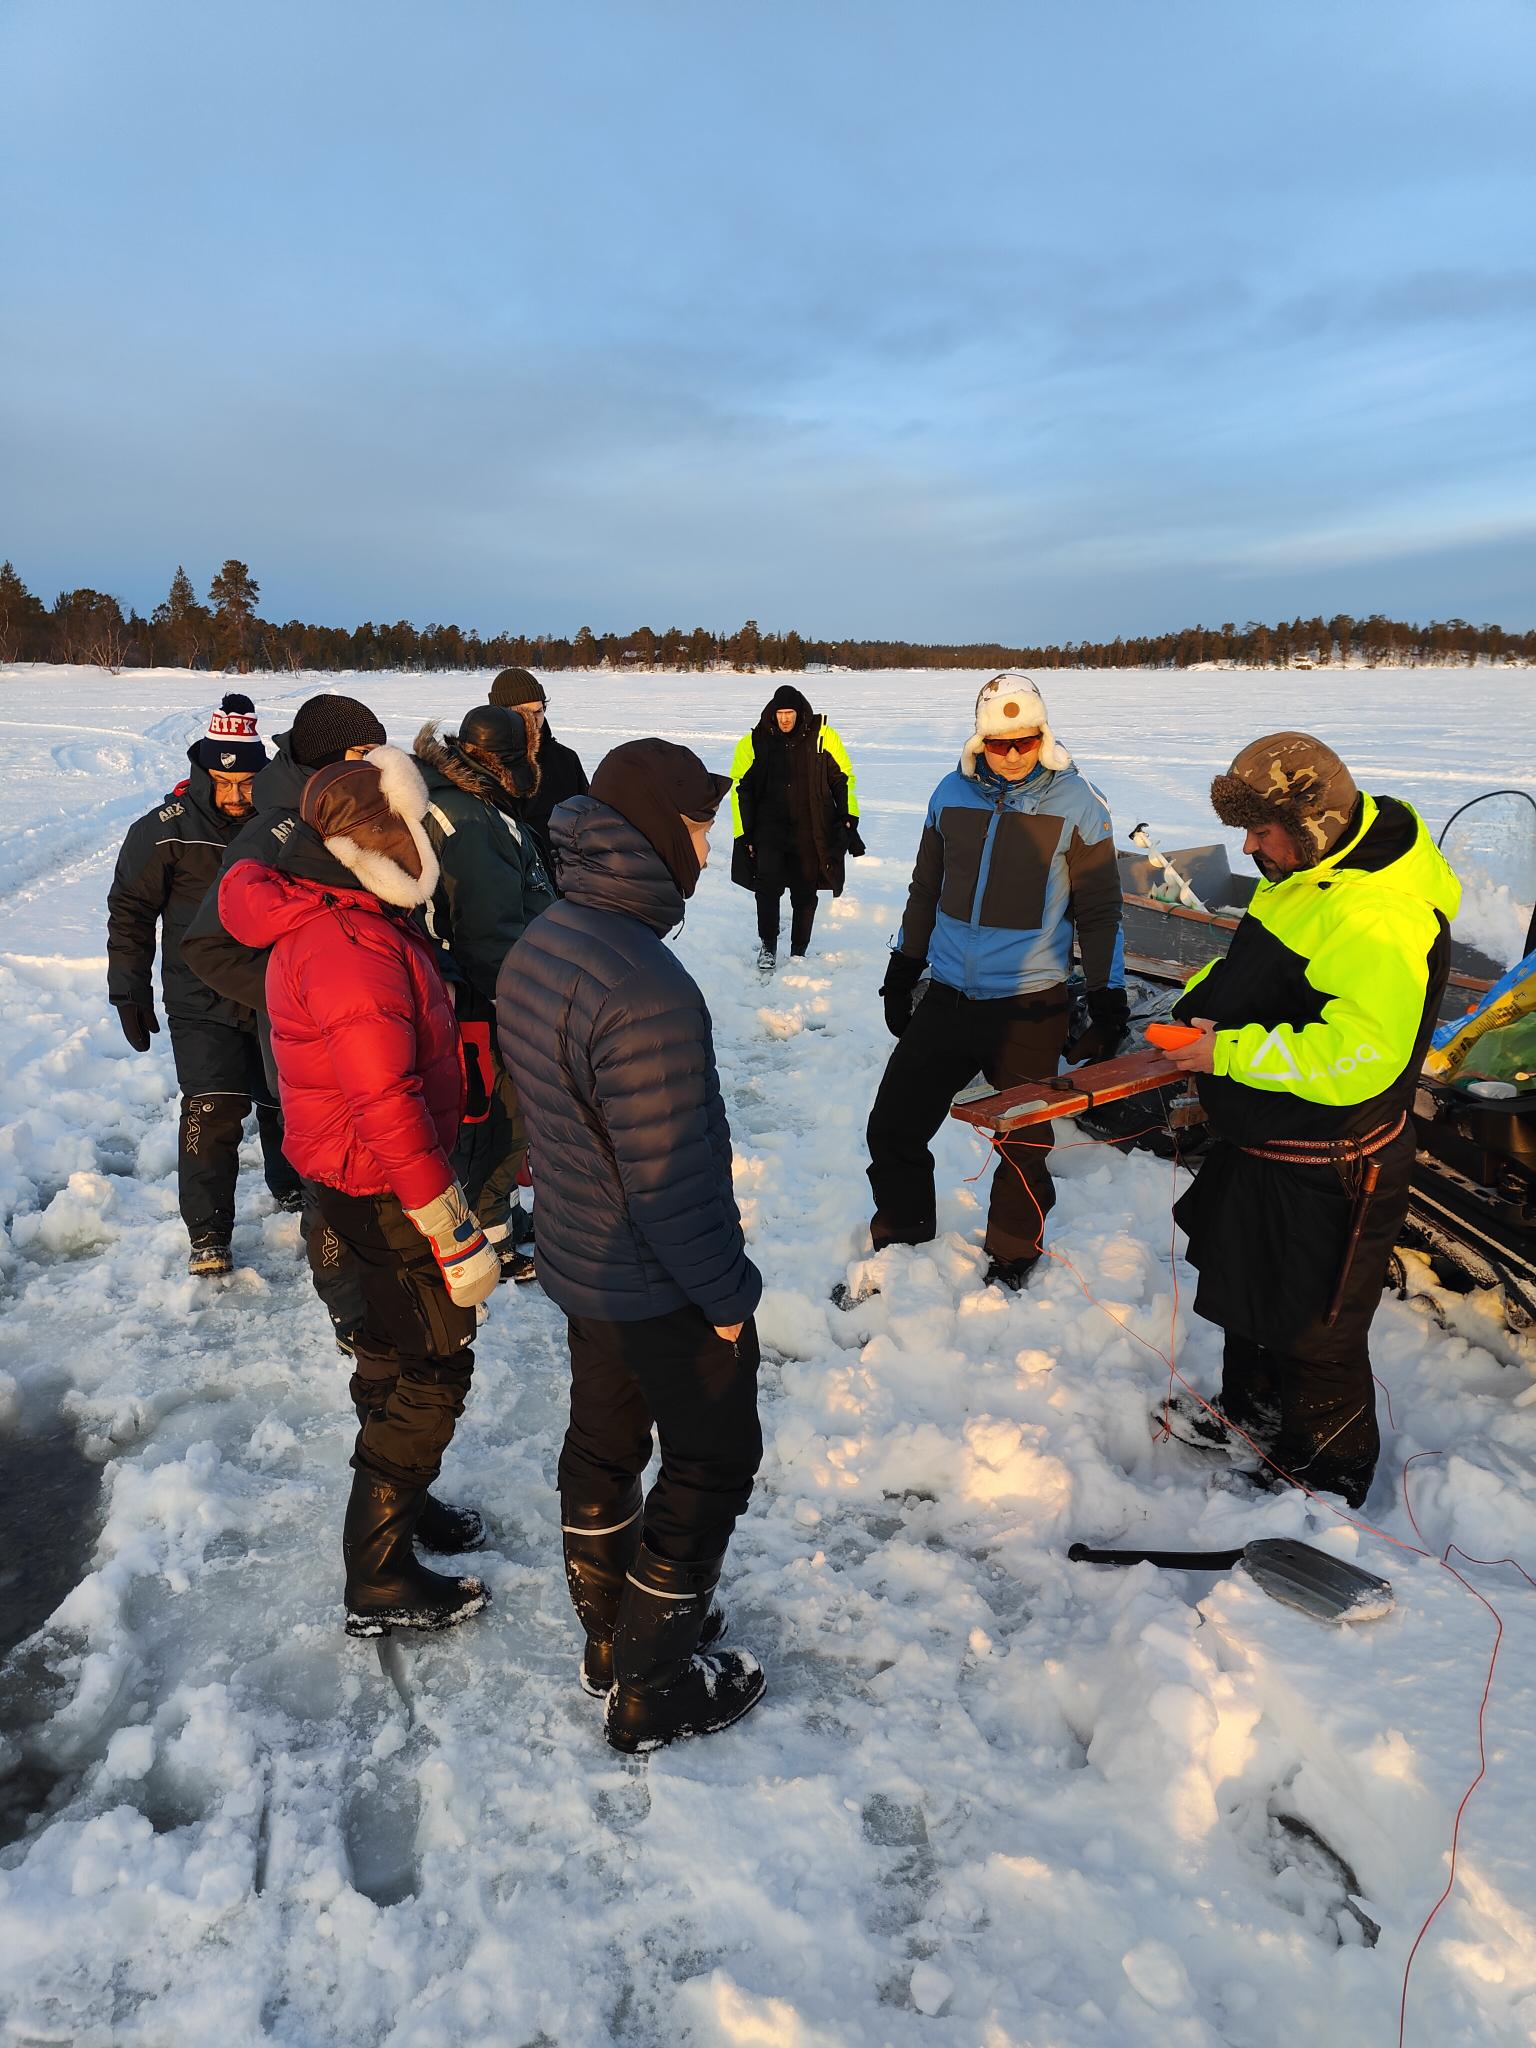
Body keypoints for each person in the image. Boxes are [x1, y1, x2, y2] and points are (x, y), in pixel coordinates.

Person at [497, 739, 766, 1752]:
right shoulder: (644, 984)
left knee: (605, 1440)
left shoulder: (552, 932)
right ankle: (651, 1685)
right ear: (656, 830)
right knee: (714, 1455)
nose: (710, 840)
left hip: (580, 1255)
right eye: (700, 823)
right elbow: (669, 1174)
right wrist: (726, 1292)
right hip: (654, 1276)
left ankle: (616, 1634)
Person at [219, 749, 501, 1635]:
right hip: (383, 1184)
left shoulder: (345, 912)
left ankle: (404, 1506)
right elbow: (385, 1100)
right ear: (379, 847)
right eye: (416, 829)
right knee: (434, 1363)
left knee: (388, 1346)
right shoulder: (350, 944)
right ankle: (376, 1571)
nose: (429, 843)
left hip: (351, 1176)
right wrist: (450, 1226)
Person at [1163, 732, 1459, 1509]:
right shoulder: (1305, 872)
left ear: (1317, 824)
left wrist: (1225, 1052)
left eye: (1263, 831)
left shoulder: (1379, 913)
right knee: (1245, 1290)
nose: (1251, 847)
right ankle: (1253, 1419)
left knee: (1314, 1330)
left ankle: (1326, 1480)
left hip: (1335, 1160)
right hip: (1270, 1139)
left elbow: (1363, 1053)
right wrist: (1203, 1000)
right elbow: (1262, 968)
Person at [861, 674, 1126, 1292]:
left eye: (1025, 741)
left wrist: (1109, 1001)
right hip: (949, 994)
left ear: (1044, 737)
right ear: (979, 741)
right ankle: (903, 1232)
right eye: (998, 743)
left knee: (1023, 1144)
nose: (1012, 755)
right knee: (893, 1124)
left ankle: (1012, 1255)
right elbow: (925, 888)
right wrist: (904, 968)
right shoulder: (949, 793)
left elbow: (1101, 911)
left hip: (1029, 1003)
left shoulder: (1078, 804)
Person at [183, 692, 388, 1334]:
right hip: (309, 1039)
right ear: (332, 759)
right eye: (364, 752)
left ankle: (382, 1289)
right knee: (330, 1170)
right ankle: (351, 1313)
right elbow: (206, 943)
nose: (378, 763)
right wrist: (294, 992)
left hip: (372, 1023)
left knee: (378, 1157)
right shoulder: (274, 829)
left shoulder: (360, 807)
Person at [107, 693, 300, 1276]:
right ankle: (209, 1233)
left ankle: (291, 1190)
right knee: (213, 1107)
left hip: (270, 990)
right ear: (202, 772)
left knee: (282, 1101)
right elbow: (130, 912)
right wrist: (129, 989)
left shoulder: (280, 826)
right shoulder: (165, 830)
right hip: (198, 997)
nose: (237, 796)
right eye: (223, 782)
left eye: (247, 783)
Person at [413, 706, 554, 1278]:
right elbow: (489, 932)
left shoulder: (466, 803)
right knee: (500, 1117)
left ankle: (499, 1218)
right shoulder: (468, 821)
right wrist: (525, 1007)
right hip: (485, 1001)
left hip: (483, 992)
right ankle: (490, 1234)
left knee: (501, 1116)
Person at [728, 684, 863, 968]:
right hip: (768, 831)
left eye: (790, 712)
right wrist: (745, 833)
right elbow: (741, 789)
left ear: (799, 713)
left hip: (809, 829)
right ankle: (768, 946)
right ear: (773, 714)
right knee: (767, 890)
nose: (785, 719)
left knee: (805, 891)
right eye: (780, 713)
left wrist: (848, 816)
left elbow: (843, 778)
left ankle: (799, 951)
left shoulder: (823, 737)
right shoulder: (754, 741)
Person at [487, 667, 590, 877]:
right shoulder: (480, 766)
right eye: (522, 713)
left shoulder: (566, 760)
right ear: (499, 715)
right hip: (505, 883)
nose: (533, 720)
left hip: (564, 882)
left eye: (538, 711)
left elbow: (589, 820)